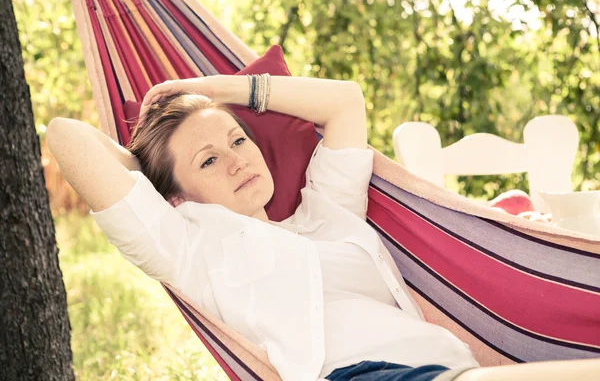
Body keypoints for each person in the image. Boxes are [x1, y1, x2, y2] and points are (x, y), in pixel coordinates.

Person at [47, 75, 599, 381]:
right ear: (174, 198)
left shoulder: (325, 213)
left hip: (452, 363)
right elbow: (68, 136)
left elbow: (346, 103)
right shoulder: (190, 250)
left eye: (239, 140)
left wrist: (213, 90)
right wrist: (158, 164)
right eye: (209, 162)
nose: (238, 159)